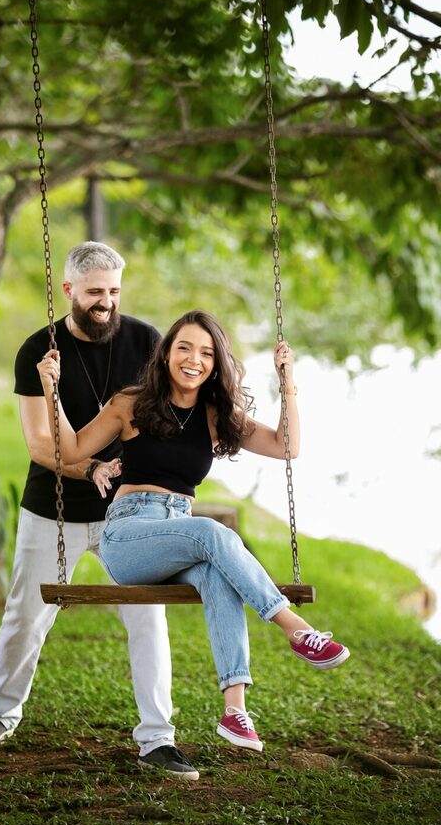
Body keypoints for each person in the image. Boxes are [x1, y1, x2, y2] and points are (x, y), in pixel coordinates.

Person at [37, 309, 350, 752]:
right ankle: (295, 630)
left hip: (180, 534)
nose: (193, 359)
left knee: (216, 574)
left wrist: (288, 382)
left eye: (206, 353)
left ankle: (235, 710)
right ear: (166, 354)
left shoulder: (214, 414)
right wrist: (51, 389)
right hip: (129, 535)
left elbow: (287, 447)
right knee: (211, 532)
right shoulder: (130, 403)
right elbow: (68, 449)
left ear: (216, 363)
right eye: (184, 347)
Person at [0, 242, 200, 780]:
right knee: (26, 614)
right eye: (95, 292)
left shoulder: (147, 342)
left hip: (131, 513)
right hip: (54, 509)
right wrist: (89, 468)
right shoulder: (38, 351)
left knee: (148, 618)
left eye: (114, 291)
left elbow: (175, 415)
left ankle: (158, 738)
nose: (106, 302)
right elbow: (39, 444)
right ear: (69, 290)